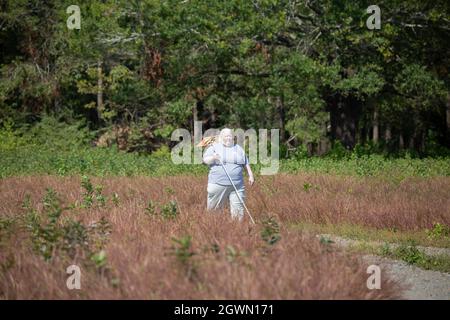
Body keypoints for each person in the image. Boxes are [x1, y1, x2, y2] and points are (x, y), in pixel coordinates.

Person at [202, 128, 255, 220]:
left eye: (230, 136)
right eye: (226, 136)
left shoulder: (238, 148)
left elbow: (245, 163)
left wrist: (250, 175)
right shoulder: (214, 147)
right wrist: (213, 157)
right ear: (221, 137)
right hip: (218, 184)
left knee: (238, 211)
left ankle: (237, 230)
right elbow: (205, 160)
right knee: (214, 211)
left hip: (237, 185)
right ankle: (213, 229)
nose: (228, 138)